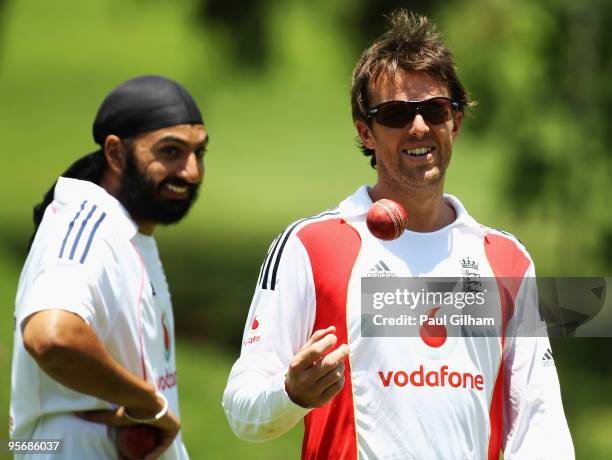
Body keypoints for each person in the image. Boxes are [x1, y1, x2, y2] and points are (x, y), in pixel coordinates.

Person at [222, 11, 574, 459]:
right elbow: (242, 408)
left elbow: (539, 426)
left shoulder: (506, 260)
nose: (419, 127)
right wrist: (290, 393)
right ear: (365, 132)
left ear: (456, 122)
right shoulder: (311, 246)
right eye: (395, 114)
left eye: (435, 109)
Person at [10, 75, 208, 459]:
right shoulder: (86, 224)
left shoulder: (124, 232)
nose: (191, 172)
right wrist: (147, 404)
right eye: (171, 152)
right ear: (116, 154)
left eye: (198, 153)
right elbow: (51, 337)